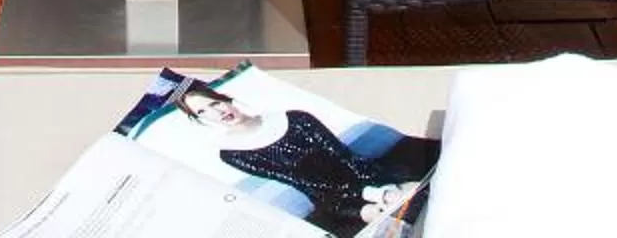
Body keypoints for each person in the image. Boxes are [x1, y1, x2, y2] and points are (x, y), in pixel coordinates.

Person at [171, 80, 439, 237]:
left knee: (408, 193)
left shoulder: (294, 117)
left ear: (224, 99)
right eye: (204, 111)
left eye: (214, 103)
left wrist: (375, 190)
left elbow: (342, 156)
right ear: (201, 120)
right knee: (380, 216)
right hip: (333, 200)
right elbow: (300, 180)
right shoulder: (230, 153)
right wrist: (375, 198)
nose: (216, 112)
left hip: (362, 174)